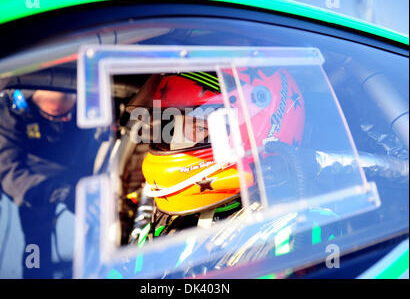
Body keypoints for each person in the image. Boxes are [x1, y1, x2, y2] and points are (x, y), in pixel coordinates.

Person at [120, 69, 342, 277]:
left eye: (199, 128)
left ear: (253, 134)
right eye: (171, 126)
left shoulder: (298, 233)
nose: (174, 142)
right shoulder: (164, 213)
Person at [0, 89, 100, 279]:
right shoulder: (6, 113)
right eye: (57, 116)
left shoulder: (86, 100)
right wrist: (58, 192)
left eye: (69, 114)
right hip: (35, 183)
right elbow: (7, 171)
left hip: (82, 172)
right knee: (36, 243)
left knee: (101, 227)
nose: (66, 119)